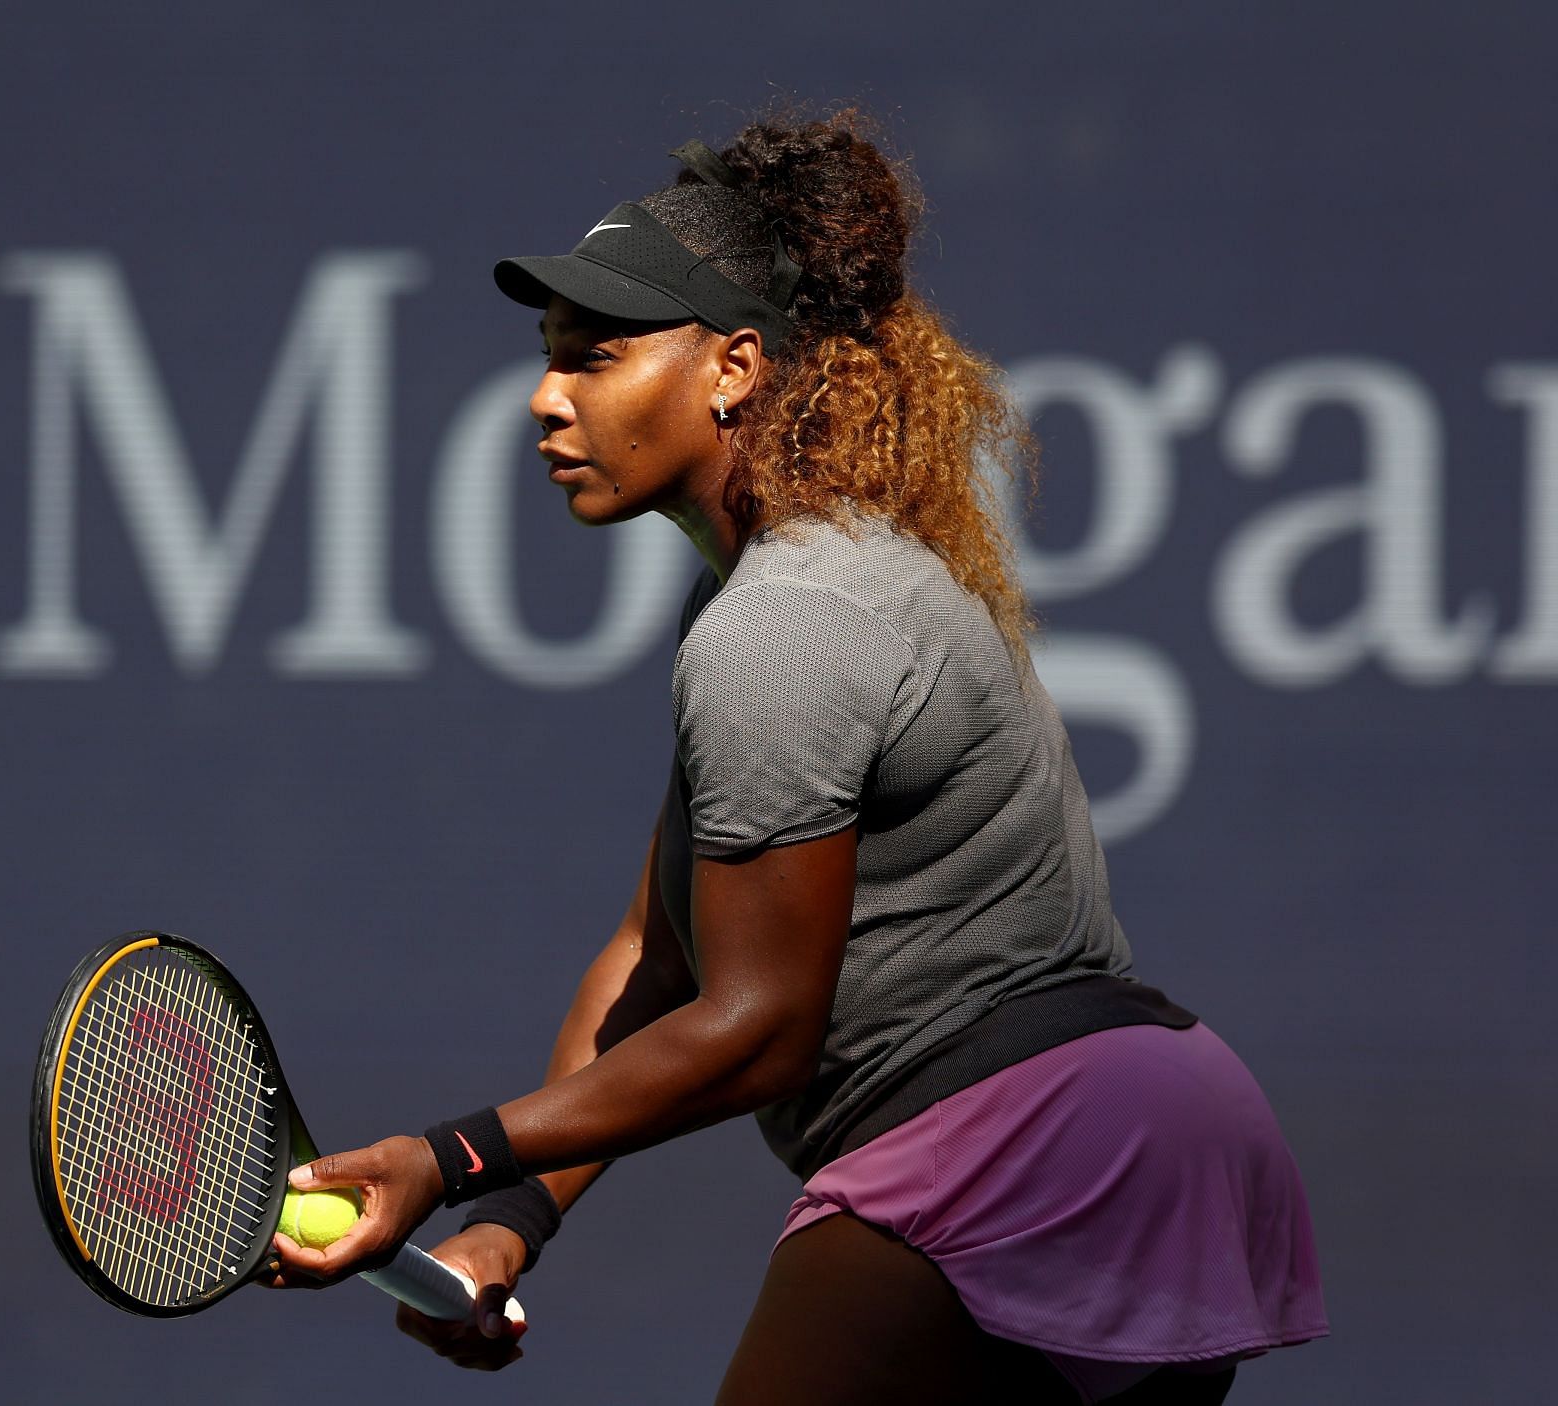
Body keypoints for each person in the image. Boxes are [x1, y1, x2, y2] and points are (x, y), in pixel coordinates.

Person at [263, 111, 1329, 1404]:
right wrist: (513, 1217)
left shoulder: (784, 624)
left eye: (595, 358)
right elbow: (659, 960)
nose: (548, 396)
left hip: (1024, 1142)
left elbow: (760, 1029)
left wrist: (444, 1159)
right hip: (1151, 1135)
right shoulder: (778, 591)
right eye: (549, 359)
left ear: (735, 368)